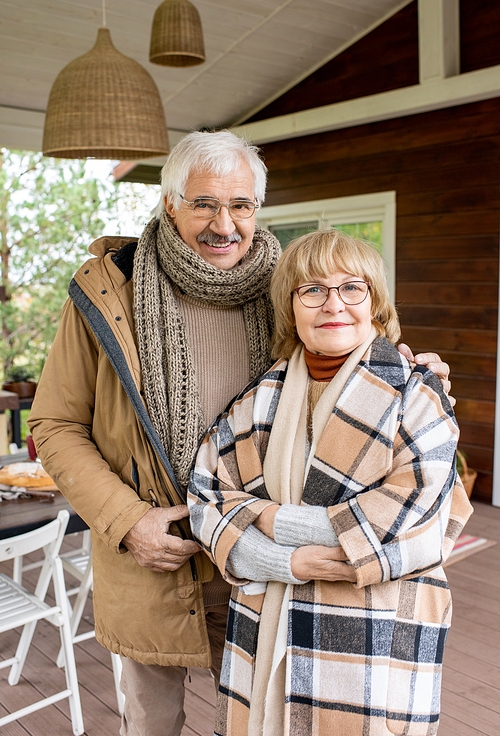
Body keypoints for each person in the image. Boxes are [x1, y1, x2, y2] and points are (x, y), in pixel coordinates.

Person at [28, 130, 451, 736]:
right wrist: (128, 520)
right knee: (149, 725)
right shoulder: (107, 291)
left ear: (258, 208)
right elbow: (56, 423)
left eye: (241, 205)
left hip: (268, 561)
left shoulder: (293, 286)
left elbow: (350, 354)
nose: (224, 224)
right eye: (204, 203)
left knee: (265, 718)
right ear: (169, 203)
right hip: (158, 556)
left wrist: (414, 372)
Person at [188, 228, 472, 736]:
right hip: (267, 620)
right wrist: (284, 560)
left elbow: (416, 523)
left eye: (351, 288)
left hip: (375, 627)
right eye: (312, 290)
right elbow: (207, 497)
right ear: (291, 309)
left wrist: (271, 521)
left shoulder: (415, 394)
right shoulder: (256, 401)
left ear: (375, 304)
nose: (332, 304)